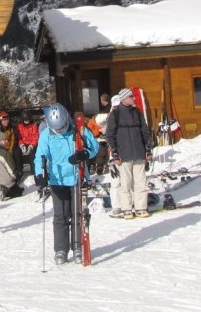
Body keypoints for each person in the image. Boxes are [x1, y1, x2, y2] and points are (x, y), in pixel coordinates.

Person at [33, 103, 99, 264]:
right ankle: (61, 249)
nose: (60, 131)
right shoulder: (47, 134)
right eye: (57, 129)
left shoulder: (78, 129)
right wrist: (39, 175)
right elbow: (40, 155)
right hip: (57, 179)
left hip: (77, 177)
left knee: (77, 214)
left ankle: (78, 246)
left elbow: (94, 147)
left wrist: (84, 154)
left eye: (62, 127)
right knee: (60, 215)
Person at [105, 89, 154, 219]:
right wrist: (115, 154)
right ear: (124, 98)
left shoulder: (137, 112)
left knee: (141, 183)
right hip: (123, 155)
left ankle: (141, 207)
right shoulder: (115, 114)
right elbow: (109, 136)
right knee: (125, 183)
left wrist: (148, 150)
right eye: (131, 96)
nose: (134, 98)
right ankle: (127, 208)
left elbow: (145, 132)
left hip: (139, 153)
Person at [15, 110, 41, 179]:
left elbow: (36, 137)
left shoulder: (33, 125)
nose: (27, 121)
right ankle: (19, 170)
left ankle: (34, 171)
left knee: (32, 153)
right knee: (16, 152)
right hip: (23, 144)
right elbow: (19, 137)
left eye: (28, 119)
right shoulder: (20, 126)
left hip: (32, 144)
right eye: (26, 120)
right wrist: (21, 145)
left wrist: (31, 146)